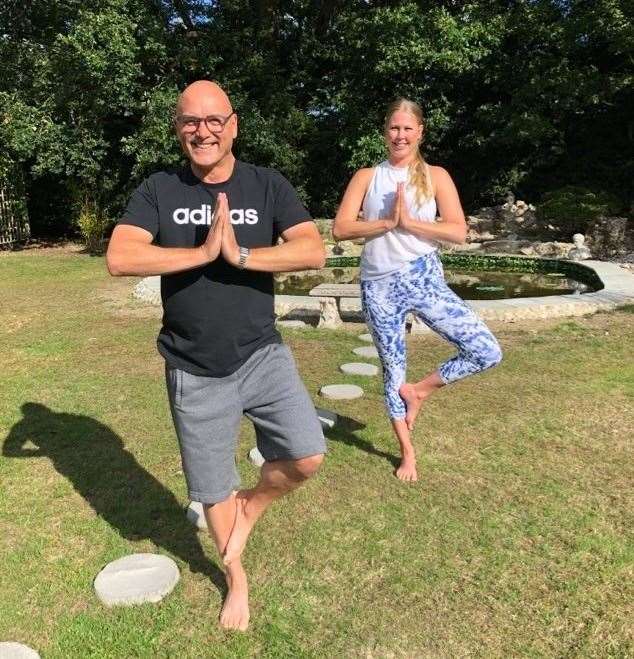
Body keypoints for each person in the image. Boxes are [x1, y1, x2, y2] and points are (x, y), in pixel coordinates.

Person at [106, 80, 326, 631]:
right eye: (189, 122)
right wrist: (202, 252)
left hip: (261, 353)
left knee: (306, 455)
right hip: (194, 367)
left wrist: (240, 252)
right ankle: (236, 577)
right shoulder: (159, 189)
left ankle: (253, 507)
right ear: (178, 129)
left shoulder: (266, 184)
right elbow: (120, 256)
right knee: (212, 491)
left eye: (212, 121)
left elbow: (312, 249)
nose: (201, 131)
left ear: (232, 125)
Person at [333, 98, 502, 483]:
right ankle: (407, 453)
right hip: (379, 285)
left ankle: (421, 391)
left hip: (424, 277)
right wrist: (385, 223)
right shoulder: (366, 176)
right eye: (394, 128)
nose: (400, 135)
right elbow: (341, 228)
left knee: (486, 350)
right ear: (385, 131)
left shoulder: (436, 175)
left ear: (420, 132)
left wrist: (409, 223)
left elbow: (457, 231)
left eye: (408, 128)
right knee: (393, 368)